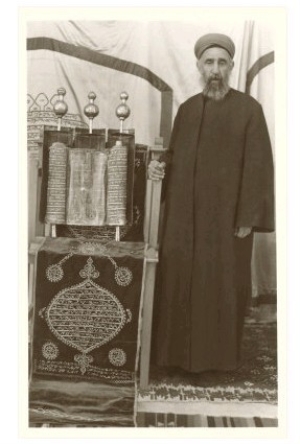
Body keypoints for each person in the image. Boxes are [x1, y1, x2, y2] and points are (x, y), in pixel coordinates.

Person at [148, 33, 275, 373]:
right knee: (179, 282)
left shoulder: (250, 110)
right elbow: (174, 158)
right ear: (199, 67)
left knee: (220, 287)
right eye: (209, 63)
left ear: (231, 66)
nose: (215, 69)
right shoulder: (187, 110)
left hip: (226, 223)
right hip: (182, 223)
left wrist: (248, 216)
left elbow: (259, 166)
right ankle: (173, 359)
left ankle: (217, 364)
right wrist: (160, 168)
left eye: (221, 62)